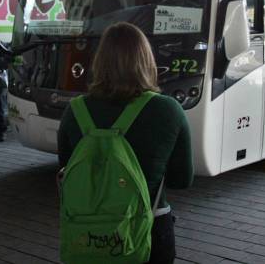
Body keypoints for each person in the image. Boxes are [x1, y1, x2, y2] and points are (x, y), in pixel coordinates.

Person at [57, 22, 193, 264]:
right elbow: (181, 180)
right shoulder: (168, 110)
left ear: (100, 62)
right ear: (146, 61)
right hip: (149, 230)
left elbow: (67, 167)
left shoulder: (75, 110)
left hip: (86, 233)